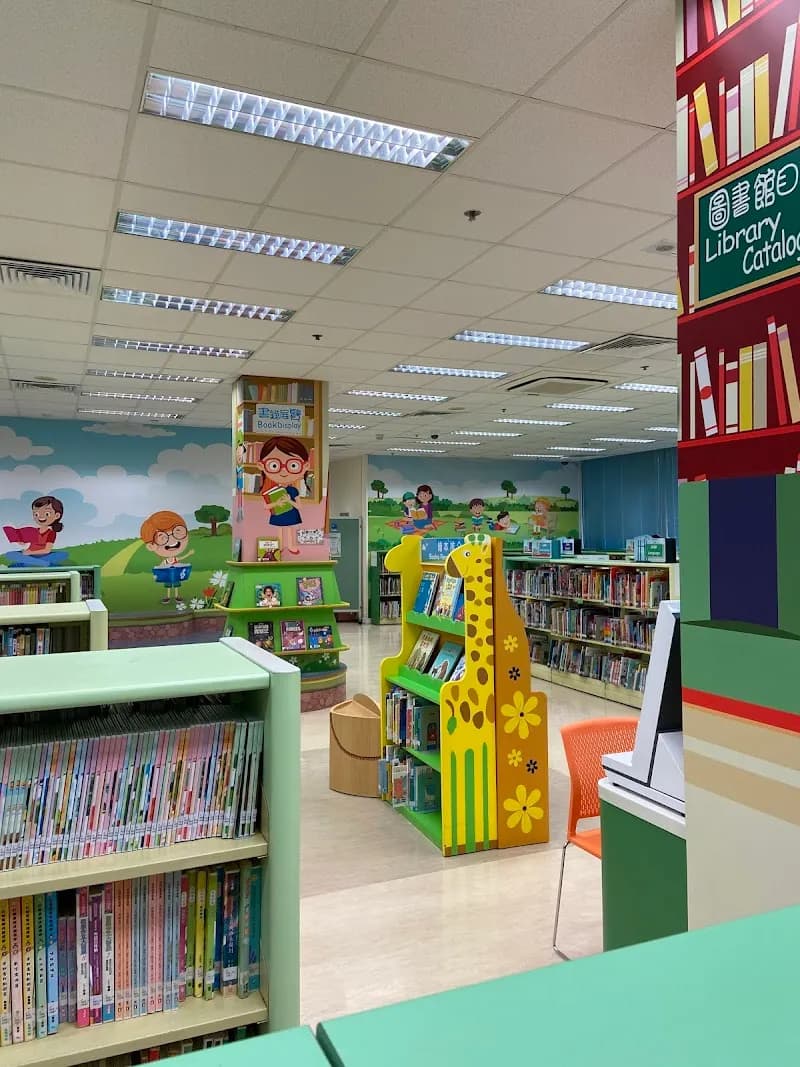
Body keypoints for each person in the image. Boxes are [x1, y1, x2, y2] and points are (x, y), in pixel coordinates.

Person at [257, 437, 311, 556]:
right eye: (274, 465)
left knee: (290, 530)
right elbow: (266, 506)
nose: (284, 472)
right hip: (279, 514)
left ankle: (291, 546)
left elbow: (299, 506)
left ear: (305, 466)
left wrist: (289, 501)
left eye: (293, 465)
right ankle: (280, 546)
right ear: (261, 466)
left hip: (291, 514)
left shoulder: (293, 490)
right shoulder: (271, 491)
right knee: (280, 530)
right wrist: (276, 504)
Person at [141, 510, 194, 604]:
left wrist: (189, 554)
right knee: (169, 586)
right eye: (162, 538)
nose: (172, 540)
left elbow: (181, 559)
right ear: (151, 546)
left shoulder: (175, 559)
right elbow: (161, 568)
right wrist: (157, 574)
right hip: (168, 575)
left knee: (176, 585)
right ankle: (168, 596)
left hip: (176, 574)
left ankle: (177, 596)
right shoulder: (165, 561)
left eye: (177, 531)